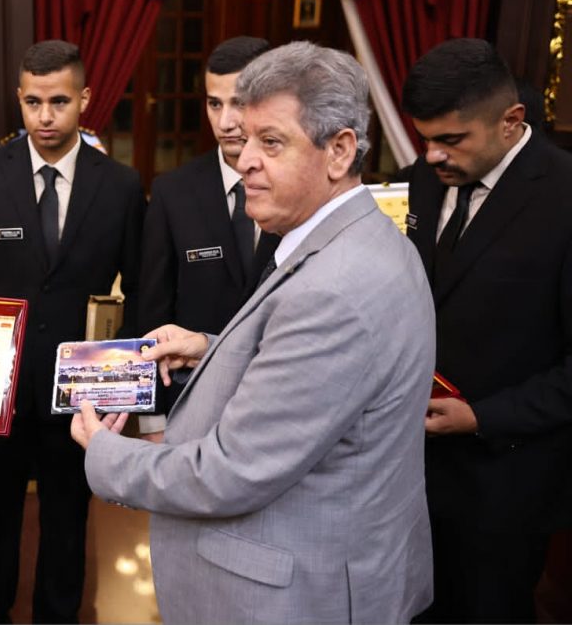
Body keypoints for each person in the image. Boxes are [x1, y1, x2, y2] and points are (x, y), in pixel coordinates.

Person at [72, 42, 435, 624]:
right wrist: (211, 349)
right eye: (246, 140)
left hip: (294, 596)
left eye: (271, 142)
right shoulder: (361, 240)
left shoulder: (336, 288)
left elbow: (230, 472)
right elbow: (319, 379)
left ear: (339, 151)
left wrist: (107, 452)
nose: (244, 162)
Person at [0, 40, 145, 623]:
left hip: (82, 391)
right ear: (18, 100)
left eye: (59, 102)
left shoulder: (121, 186)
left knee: (67, 524)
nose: (45, 116)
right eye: (33, 102)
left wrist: (121, 388)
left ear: (84, 98)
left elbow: (141, 293)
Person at [402, 38, 572, 623]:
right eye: (424, 138)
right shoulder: (424, 179)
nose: (432, 155)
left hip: (506, 482)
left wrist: (480, 417)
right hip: (410, 470)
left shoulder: (564, 197)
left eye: (451, 140)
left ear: (511, 121)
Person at [138, 36, 279, 433]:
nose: (225, 122)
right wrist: (152, 420)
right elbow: (153, 313)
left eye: (239, 103)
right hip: (191, 407)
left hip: (278, 405)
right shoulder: (173, 192)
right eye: (214, 104)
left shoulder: (298, 193)